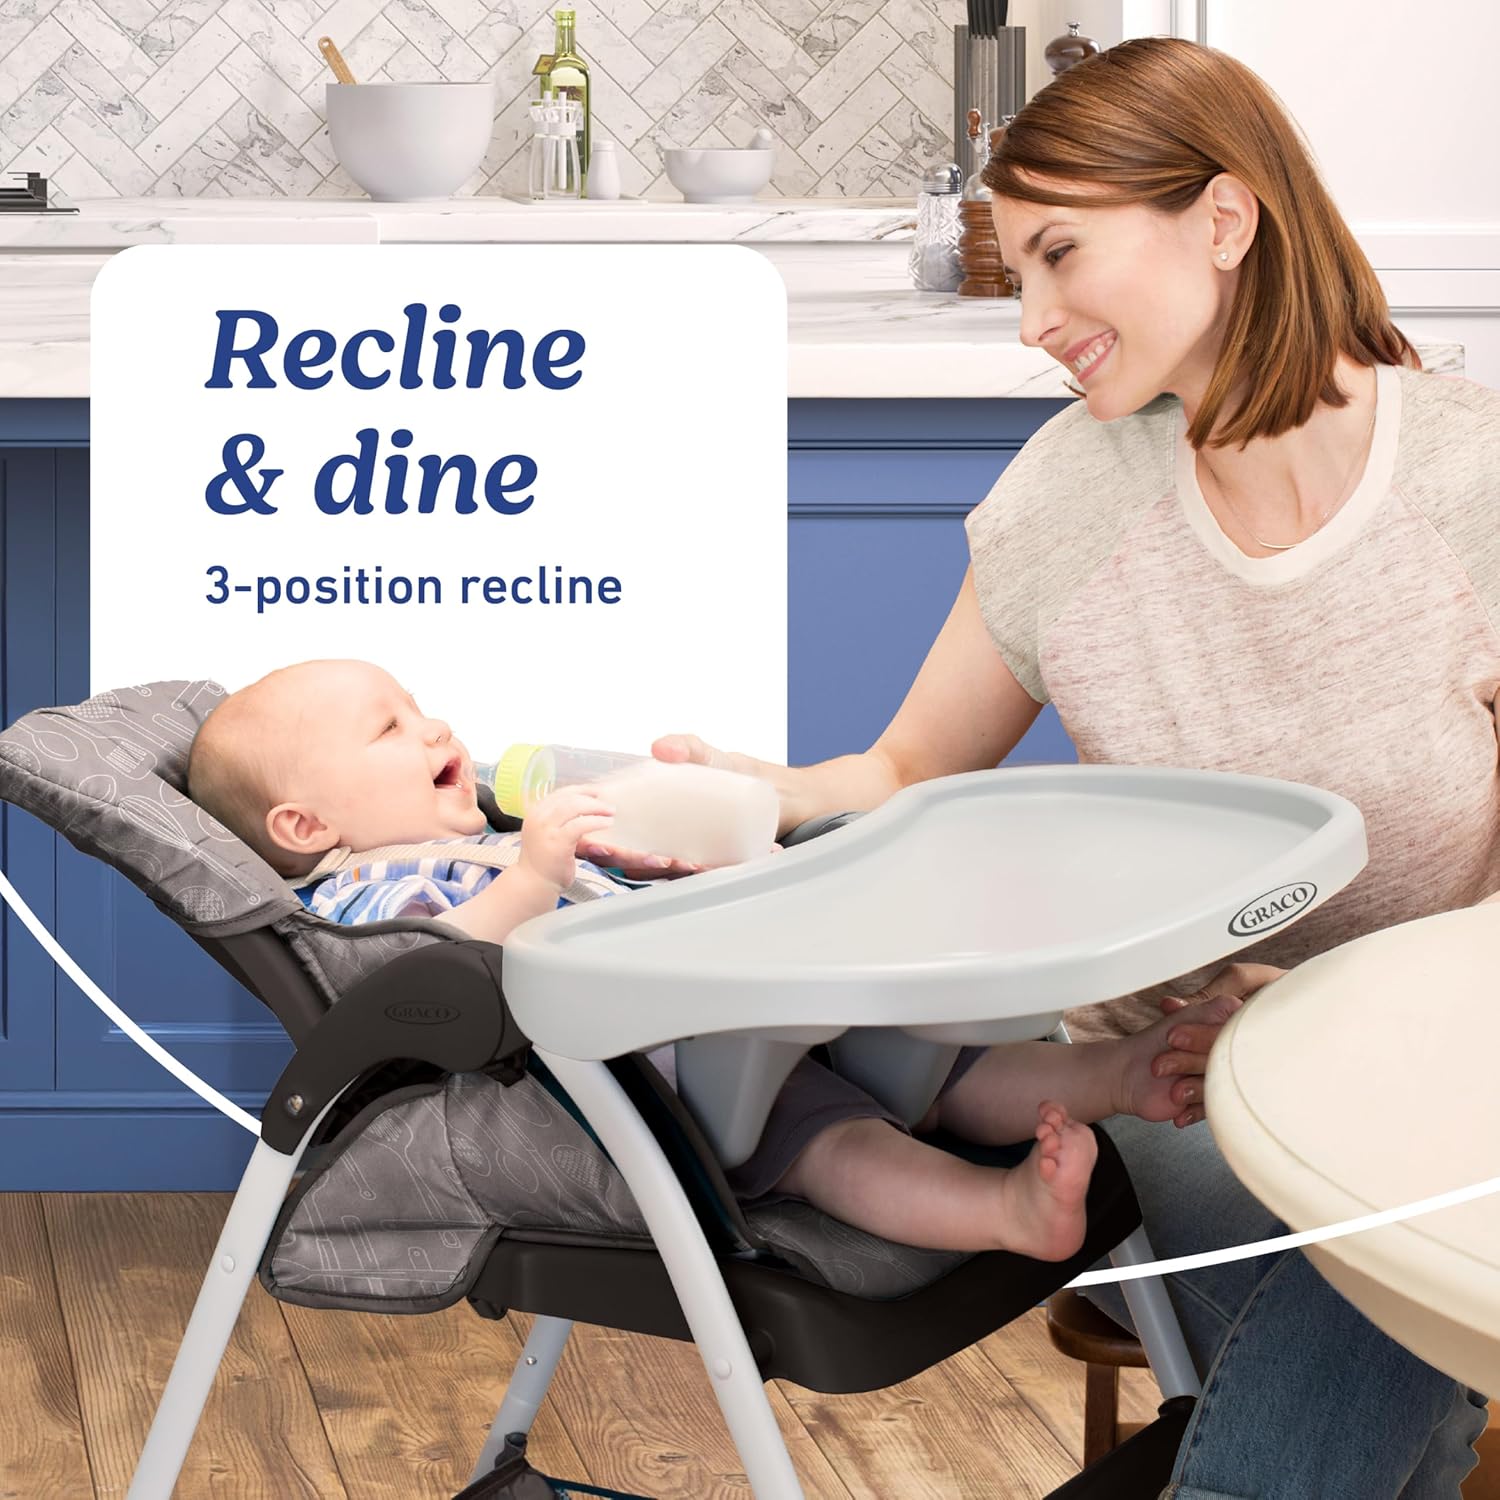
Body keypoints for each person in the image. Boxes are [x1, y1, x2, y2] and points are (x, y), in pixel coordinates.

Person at [589, 36, 1498, 1500]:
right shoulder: (1065, 503)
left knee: (1396, 1295)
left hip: (1452, 1091)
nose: (1034, 320)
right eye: (1018, 274)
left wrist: (1351, 1020)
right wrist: (766, 795)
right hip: (1184, 1087)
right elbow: (901, 767)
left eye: (1062, 256)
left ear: (1222, 217)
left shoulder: (1475, 484)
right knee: (1380, 1314)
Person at [186, 655, 1234, 1262]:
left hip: (727, 996)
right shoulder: (373, 889)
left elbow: (623, 888)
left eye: (420, 709)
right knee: (828, 1139)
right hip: (659, 1072)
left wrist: (666, 853)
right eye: (390, 728)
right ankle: (1002, 1213)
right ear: (306, 822)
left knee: (940, 1053)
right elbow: (428, 976)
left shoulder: (486, 836)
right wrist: (534, 876)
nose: (435, 728)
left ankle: (1116, 1070)